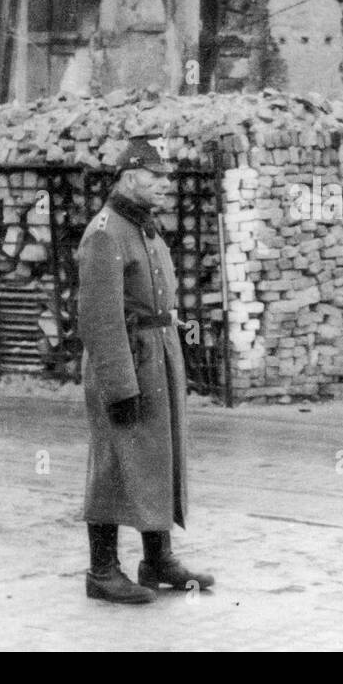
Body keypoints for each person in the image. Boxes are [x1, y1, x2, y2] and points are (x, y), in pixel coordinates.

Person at [76, 134, 215, 604]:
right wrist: (119, 385)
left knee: (159, 457)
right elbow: (99, 317)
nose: (165, 186)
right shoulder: (105, 231)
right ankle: (101, 571)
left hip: (157, 356)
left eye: (166, 178)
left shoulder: (142, 227)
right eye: (156, 178)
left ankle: (157, 560)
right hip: (126, 363)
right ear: (130, 177)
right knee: (115, 462)